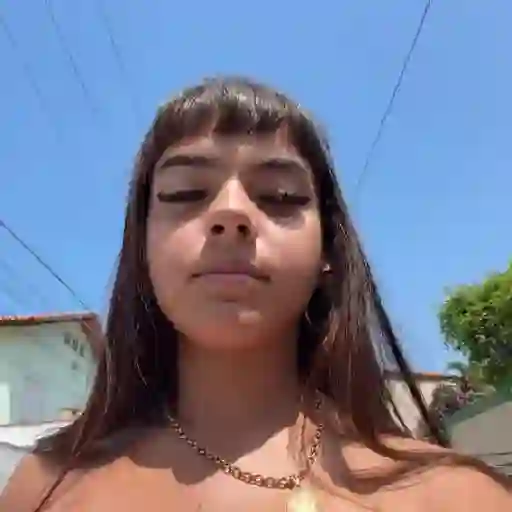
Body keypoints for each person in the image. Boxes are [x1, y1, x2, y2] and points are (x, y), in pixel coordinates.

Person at [1, 77, 509, 511]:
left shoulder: (456, 497)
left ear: (328, 251)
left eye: (280, 196)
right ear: (143, 249)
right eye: (185, 193)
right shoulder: (43, 490)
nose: (231, 212)